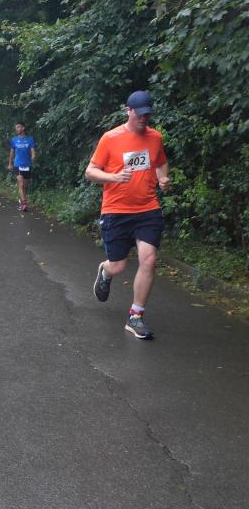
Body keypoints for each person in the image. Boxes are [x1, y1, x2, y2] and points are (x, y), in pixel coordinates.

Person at [86, 90, 171, 340]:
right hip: (116, 211)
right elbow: (90, 171)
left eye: (148, 115)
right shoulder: (110, 138)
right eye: (140, 114)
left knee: (149, 259)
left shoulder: (155, 137)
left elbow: (160, 162)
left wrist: (163, 178)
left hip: (148, 209)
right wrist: (113, 177)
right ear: (128, 111)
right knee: (119, 265)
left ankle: (136, 316)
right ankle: (105, 271)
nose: (144, 119)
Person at [8, 121, 37, 211]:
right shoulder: (14, 140)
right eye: (16, 127)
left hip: (27, 165)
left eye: (18, 127)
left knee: (25, 186)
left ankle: (22, 199)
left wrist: (33, 156)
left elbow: (33, 150)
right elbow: (12, 152)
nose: (17, 129)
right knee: (21, 184)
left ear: (23, 128)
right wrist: (10, 164)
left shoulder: (30, 139)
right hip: (18, 165)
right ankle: (24, 203)